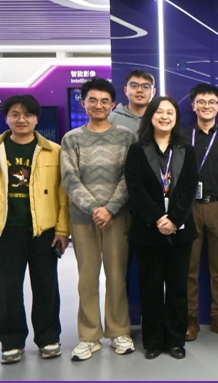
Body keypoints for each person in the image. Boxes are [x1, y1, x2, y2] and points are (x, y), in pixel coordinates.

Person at [0, 95, 70, 364]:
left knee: (46, 287)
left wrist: (62, 230)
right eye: (15, 114)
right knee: (9, 288)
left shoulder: (54, 151)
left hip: (44, 231)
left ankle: (48, 338)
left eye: (28, 115)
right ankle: (11, 342)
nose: (22, 120)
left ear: (37, 119)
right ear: (6, 118)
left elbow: (63, 195)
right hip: (5, 231)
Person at [60, 78, 136, 361]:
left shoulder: (126, 137)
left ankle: (119, 331)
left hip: (118, 218)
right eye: (93, 100)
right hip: (84, 219)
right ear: (83, 103)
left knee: (117, 276)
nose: (99, 105)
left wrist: (111, 208)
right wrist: (95, 208)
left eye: (105, 101)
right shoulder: (72, 139)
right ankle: (89, 336)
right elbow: (69, 178)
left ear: (113, 104)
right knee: (87, 278)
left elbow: (130, 177)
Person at [124, 96, 198, 360]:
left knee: (177, 287)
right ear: (151, 116)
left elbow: (189, 188)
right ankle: (153, 340)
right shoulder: (137, 150)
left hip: (180, 229)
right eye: (160, 112)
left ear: (176, 119)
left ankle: (176, 339)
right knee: (151, 286)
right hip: (148, 229)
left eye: (170, 113)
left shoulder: (187, 150)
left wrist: (174, 219)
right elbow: (135, 188)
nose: (165, 116)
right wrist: (158, 218)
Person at [181, 83, 218, 341]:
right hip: (189, 208)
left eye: (212, 102)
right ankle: (190, 318)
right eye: (201, 102)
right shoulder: (182, 136)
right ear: (193, 106)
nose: (206, 106)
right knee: (189, 267)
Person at [109, 69, 155, 134]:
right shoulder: (110, 119)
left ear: (153, 92)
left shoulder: (160, 119)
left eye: (146, 87)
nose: (139, 90)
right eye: (134, 86)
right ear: (126, 90)